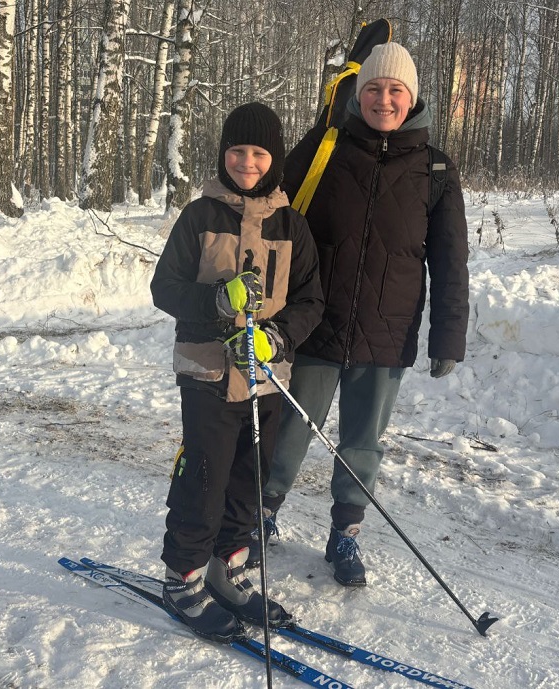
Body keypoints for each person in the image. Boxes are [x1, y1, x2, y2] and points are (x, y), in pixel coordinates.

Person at [250, 42, 470, 587]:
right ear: (357, 93)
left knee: (362, 443)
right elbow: (272, 209)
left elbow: (450, 259)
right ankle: (262, 515)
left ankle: (345, 534)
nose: (384, 99)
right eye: (373, 88)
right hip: (315, 324)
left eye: (396, 90)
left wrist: (449, 336)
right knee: (291, 429)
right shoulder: (326, 148)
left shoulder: (435, 168)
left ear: (413, 97)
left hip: (385, 332)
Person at [150, 102, 323, 641]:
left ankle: (231, 565)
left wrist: (277, 338)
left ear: (274, 159)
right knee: (206, 474)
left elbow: (311, 301)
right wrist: (217, 302)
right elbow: (165, 288)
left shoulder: (292, 225)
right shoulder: (199, 216)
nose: (247, 162)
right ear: (224, 154)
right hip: (206, 373)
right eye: (237, 151)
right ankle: (184, 576)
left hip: (265, 375)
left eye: (259, 152)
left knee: (251, 474)